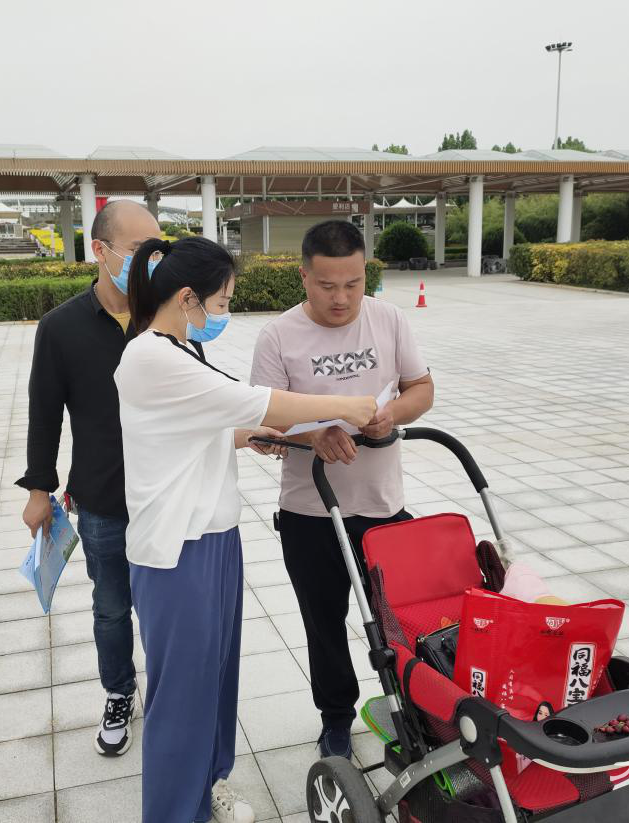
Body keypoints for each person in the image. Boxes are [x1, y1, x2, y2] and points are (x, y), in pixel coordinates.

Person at [115, 236, 376, 823]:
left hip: (214, 539)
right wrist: (348, 406)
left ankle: (206, 791)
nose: (225, 312)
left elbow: (215, 424)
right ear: (188, 298)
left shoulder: (181, 350)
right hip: (176, 549)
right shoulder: (150, 356)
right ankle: (173, 813)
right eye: (223, 300)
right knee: (181, 698)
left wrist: (257, 436)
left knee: (215, 682)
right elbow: (253, 401)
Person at [249, 220, 434, 760]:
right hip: (311, 513)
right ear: (304, 277)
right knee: (323, 622)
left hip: (383, 506)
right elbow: (263, 419)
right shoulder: (278, 336)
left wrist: (391, 415)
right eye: (328, 286)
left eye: (353, 284)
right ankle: (335, 720)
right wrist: (315, 433)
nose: (342, 298)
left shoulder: (390, 319)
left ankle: (413, 714)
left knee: (399, 625)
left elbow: (421, 388)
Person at [17, 200, 160, 758]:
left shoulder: (168, 316)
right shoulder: (61, 328)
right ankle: (119, 693)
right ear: (101, 251)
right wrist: (37, 491)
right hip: (102, 499)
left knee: (166, 607)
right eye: (138, 249)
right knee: (111, 606)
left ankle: (169, 696)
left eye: (158, 249)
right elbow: (43, 412)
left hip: (167, 496)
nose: (151, 260)